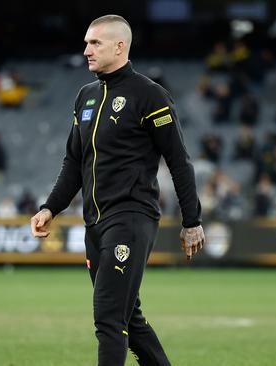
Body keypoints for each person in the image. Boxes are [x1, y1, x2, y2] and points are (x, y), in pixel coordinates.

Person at [30, 15, 205, 366]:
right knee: (129, 319)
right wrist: (50, 207)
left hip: (131, 219)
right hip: (94, 224)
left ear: (119, 46)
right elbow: (73, 164)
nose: (86, 51)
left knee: (109, 318)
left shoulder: (151, 95)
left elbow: (179, 162)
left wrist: (192, 220)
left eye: (95, 43)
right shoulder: (85, 97)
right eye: (86, 42)